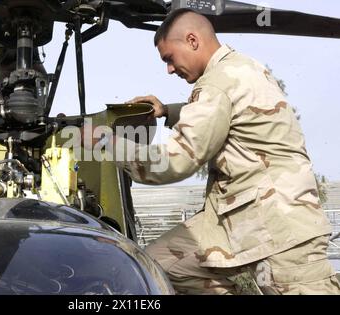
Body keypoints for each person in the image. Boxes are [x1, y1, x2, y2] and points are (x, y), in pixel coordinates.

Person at [110, 9, 340, 294]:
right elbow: (229, 115)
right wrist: (166, 112)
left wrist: (103, 144)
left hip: (282, 233)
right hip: (239, 224)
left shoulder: (218, 83)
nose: (168, 69)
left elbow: (174, 162)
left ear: (193, 40)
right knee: (154, 266)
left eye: (169, 58)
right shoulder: (241, 69)